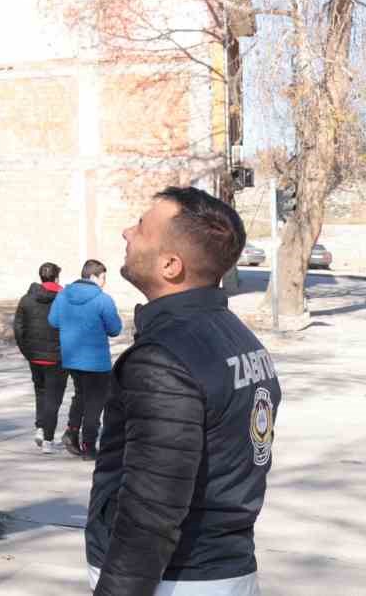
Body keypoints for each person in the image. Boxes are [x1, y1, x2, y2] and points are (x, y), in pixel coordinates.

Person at [86, 187, 280, 596]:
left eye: (140, 228)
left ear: (170, 265)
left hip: (176, 580)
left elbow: (150, 509)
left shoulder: (164, 358)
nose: (126, 232)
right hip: (224, 572)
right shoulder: (238, 338)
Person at [50, 258, 122, 459]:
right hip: (96, 361)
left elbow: (53, 321)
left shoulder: (63, 295)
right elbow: (114, 329)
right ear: (93, 276)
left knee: (80, 395)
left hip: (71, 357)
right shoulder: (103, 299)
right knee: (95, 402)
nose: (104, 282)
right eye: (103, 278)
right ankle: (89, 445)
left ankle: (72, 432)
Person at [13, 261, 66, 454]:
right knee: (54, 398)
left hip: (34, 356)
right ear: (57, 277)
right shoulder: (64, 299)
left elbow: (18, 329)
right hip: (57, 357)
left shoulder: (27, 299)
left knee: (41, 392)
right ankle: (48, 441)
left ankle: (41, 428)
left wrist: (27, 351)